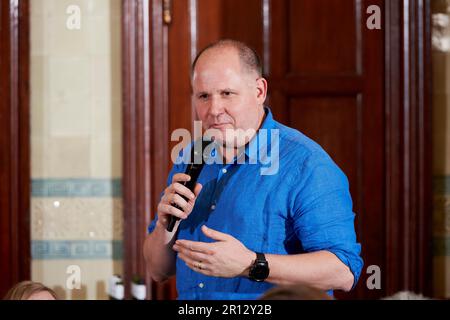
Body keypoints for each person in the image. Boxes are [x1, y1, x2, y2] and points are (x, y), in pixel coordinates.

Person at [144, 39, 363, 300]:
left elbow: (343, 271)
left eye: (227, 93)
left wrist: (251, 264)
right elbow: (158, 270)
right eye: (203, 96)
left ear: (259, 91)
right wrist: (164, 227)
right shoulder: (192, 156)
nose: (213, 110)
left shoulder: (306, 163)